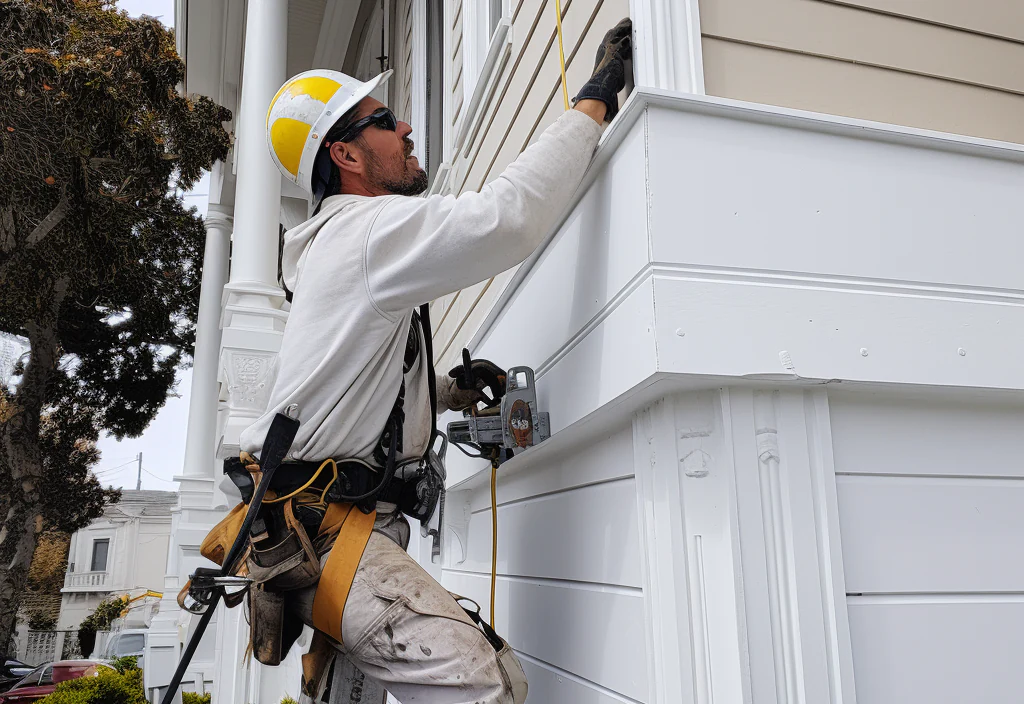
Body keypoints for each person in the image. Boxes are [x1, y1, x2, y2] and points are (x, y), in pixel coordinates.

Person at [241, 17, 633, 704]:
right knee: (483, 686)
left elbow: (359, 383)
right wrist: (593, 101)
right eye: (385, 120)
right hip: (324, 530)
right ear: (349, 158)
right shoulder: (367, 232)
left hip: (329, 525)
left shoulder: (352, 250)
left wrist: (448, 391)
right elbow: (506, 218)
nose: (408, 129)